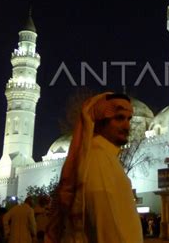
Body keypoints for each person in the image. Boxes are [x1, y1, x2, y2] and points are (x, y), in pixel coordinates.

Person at [45, 92, 143, 243]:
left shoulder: (105, 158)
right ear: (100, 122)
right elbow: (107, 229)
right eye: (119, 118)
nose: (127, 125)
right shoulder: (99, 161)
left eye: (128, 119)